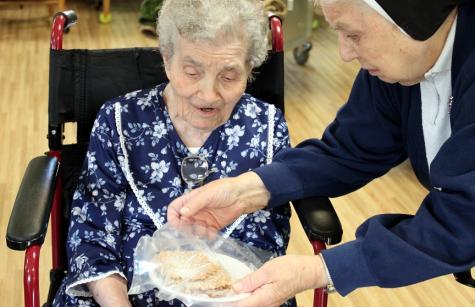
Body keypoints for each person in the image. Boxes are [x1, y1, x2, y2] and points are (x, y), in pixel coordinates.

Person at [167, 0, 475, 306]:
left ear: (414, 18)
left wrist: (321, 269)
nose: (344, 53)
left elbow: (463, 219)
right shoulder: (401, 67)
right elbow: (348, 149)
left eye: (353, 34)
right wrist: (245, 190)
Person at [52, 0, 296, 306]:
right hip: (120, 296)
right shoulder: (119, 120)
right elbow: (91, 235)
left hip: (237, 297)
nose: (208, 94)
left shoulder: (266, 126)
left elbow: (268, 241)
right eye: (192, 72)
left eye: (229, 76)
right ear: (167, 59)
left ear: (249, 68)